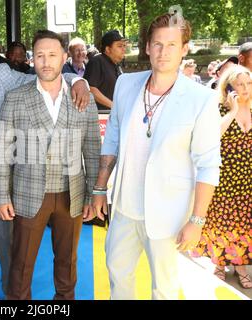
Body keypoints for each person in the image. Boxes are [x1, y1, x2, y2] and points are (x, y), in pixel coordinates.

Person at [0, 22, 90, 300]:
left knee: (9, 241)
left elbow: (44, 77)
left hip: (2, 175)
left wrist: (77, 80)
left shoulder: (0, 74)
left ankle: (13, 290)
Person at [92, 13, 222, 300]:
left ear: (184, 48)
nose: (164, 52)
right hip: (124, 208)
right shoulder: (126, 85)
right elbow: (112, 137)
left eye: (172, 45)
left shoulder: (201, 99)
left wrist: (196, 220)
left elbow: (208, 165)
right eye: (158, 44)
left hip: (169, 214)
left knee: (163, 288)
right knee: (117, 274)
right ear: (148, 46)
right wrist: (100, 188)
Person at [0, 29, 100, 300]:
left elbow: (91, 149)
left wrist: (93, 193)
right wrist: (0, 195)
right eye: (39, 55)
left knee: (67, 261)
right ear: (32, 59)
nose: (46, 61)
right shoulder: (16, 98)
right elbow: (2, 151)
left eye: (53, 55)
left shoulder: (83, 99)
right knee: (21, 264)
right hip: (28, 193)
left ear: (64, 56)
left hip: (71, 194)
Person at [192, 65, 252, 289]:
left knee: (245, 222)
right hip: (224, 177)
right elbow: (212, 136)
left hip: (248, 179)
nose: (246, 89)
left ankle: (241, 266)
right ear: (229, 88)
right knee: (221, 221)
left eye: (249, 84)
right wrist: (234, 111)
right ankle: (219, 262)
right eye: (240, 85)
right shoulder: (219, 108)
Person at [84, 30, 126, 110]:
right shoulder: (97, 61)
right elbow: (90, 88)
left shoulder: (116, 65)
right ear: (108, 49)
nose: (124, 49)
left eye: (124, 46)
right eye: (120, 46)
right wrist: (113, 106)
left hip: (112, 115)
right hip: (100, 116)